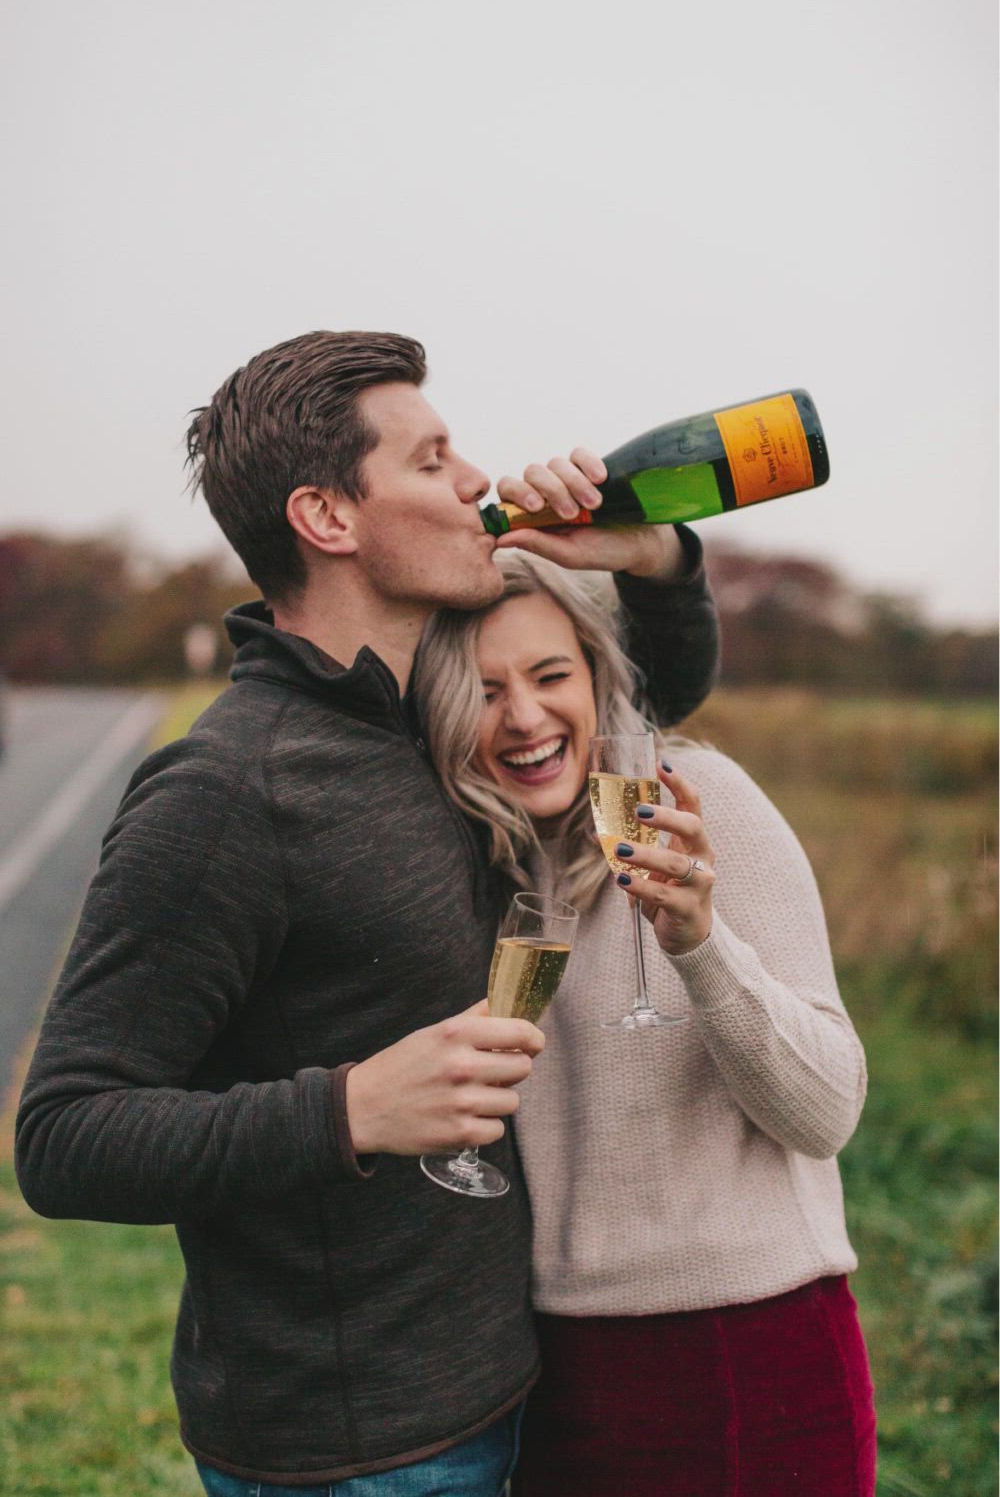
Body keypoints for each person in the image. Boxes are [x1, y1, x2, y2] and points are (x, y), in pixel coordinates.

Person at [14, 331, 719, 1495]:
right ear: (329, 518)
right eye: (433, 459)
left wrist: (650, 557)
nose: (477, 482)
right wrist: (348, 1109)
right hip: (348, 1453)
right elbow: (66, 1139)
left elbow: (642, 700)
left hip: (498, 1395)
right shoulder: (229, 793)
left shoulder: (419, 720)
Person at [414, 548, 877, 1497]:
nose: (525, 717)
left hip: (750, 1351)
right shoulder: (475, 858)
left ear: (598, 676)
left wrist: (700, 943)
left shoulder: (699, 805)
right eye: (484, 689)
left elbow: (827, 1109)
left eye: (550, 676)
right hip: (559, 1372)